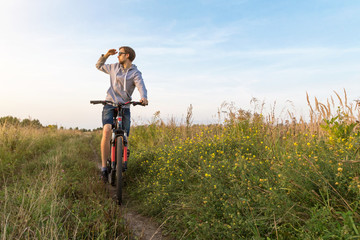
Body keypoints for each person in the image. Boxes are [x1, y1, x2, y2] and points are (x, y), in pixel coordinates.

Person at [96, 46, 148, 182]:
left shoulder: (135, 73)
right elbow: (98, 65)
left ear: (128, 56)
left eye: (120, 54)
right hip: (110, 103)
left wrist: (143, 97)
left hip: (124, 106)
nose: (118, 56)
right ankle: (103, 168)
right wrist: (106, 54)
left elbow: (141, 85)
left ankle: (123, 155)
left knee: (124, 134)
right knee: (107, 131)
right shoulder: (113, 67)